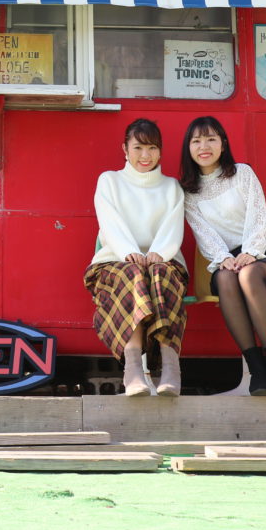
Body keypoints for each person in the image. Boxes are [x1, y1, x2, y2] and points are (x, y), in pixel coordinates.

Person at [180, 116, 266, 397]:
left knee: (248, 273)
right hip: (227, 261)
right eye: (196, 141)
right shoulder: (190, 193)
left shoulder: (242, 173)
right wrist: (223, 257)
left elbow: (259, 217)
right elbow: (203, 233)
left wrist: (250, 253)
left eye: (210, 139)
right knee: (228, 279)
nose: (203, 146)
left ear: (223, 144)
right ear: (189, 148)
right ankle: (257, 369)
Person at [84, 118, 188, 397]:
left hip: (162, 262)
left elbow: (172, 228)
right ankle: (133, 369)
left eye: (152, 148)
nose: (145, 155)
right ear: (125, 149)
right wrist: (129, 252)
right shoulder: (110, 181)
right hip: (114, 261)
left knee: (159, 273)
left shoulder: (171, 187)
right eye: (138, 147)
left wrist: (159, 254)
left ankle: (170, 368)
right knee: (132, 273)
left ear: (161, 151)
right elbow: (110, 223)